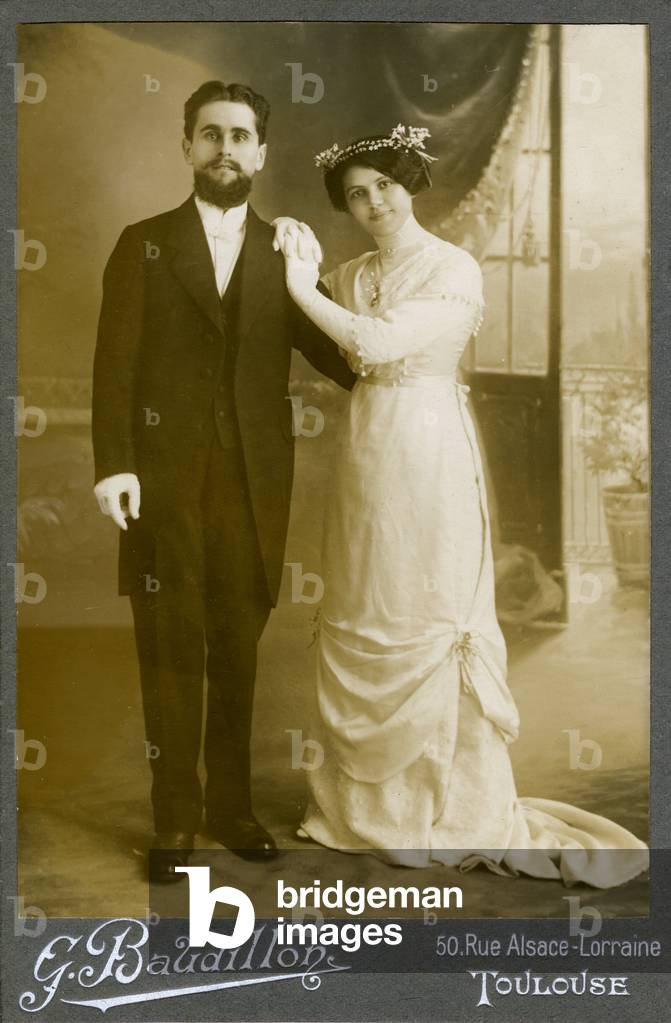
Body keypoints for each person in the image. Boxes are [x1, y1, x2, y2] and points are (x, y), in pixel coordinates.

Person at [276, 125, 649, 887]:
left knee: (425, 606)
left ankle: (449, 806)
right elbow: (317, 324)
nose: (373, 202)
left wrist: (298, 286)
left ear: (408, 183)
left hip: (429, 445)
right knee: (366, 602)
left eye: (384, 184)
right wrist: (283, 241)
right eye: (356, 194)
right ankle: (361, 811)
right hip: (365, 450)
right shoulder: (352, 273)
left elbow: (373, 345)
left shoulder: (452, 266)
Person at [91, 81, 355, 883]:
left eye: (240, 136)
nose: (225, 149)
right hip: (162, 484)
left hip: (252, 483)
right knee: (170, 649)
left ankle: (231, 808)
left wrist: (332, 285)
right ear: (187, 146)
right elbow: (113, 364)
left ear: (261, 153)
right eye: (211, 134)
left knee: (236, 647)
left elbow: (342, 358)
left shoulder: (285, 253)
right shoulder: (143, 242)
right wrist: (115, 463)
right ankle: (174, 816)